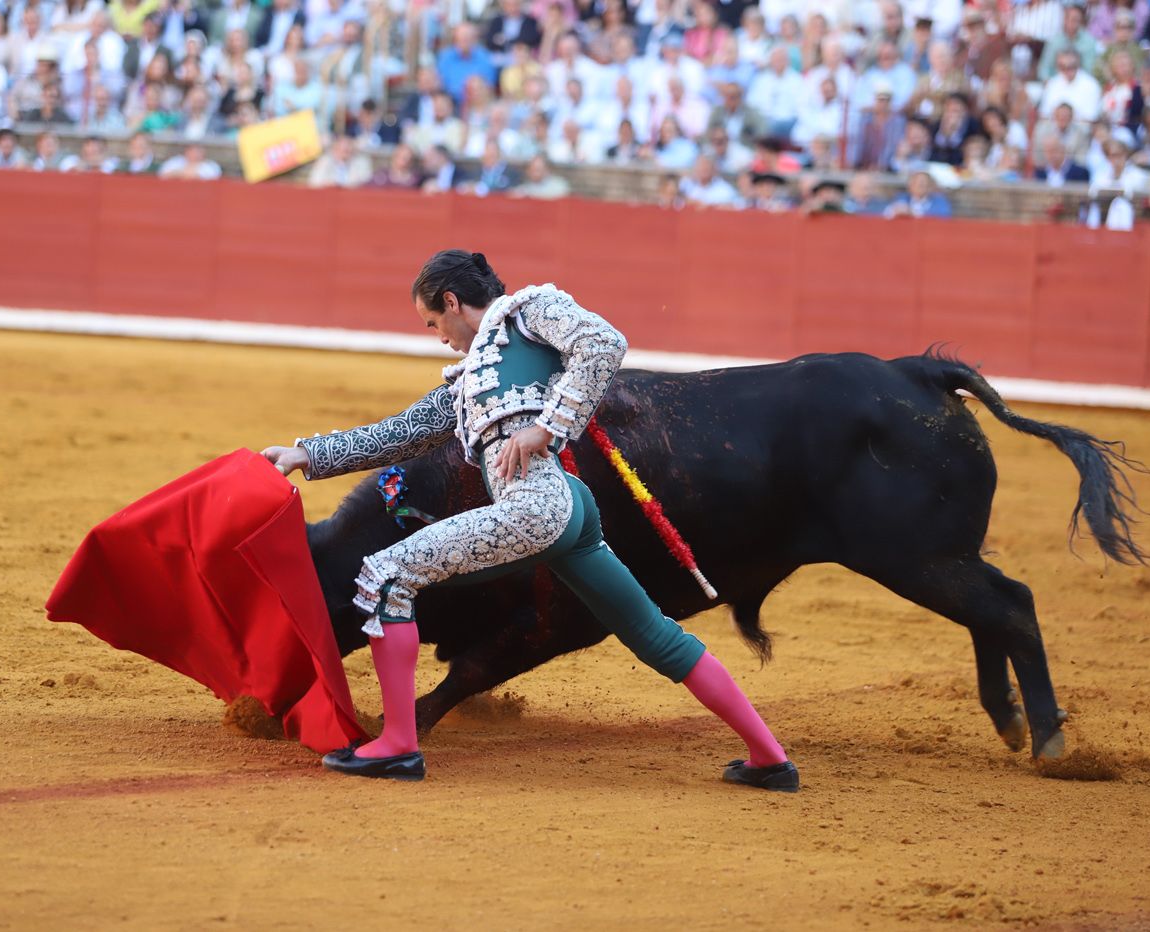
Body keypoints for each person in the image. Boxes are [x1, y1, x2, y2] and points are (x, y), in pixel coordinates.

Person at [262, 250, 799, 791]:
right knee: (654, 635)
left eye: (434, 322)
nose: (439, 336)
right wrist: (307, 454)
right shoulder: (470, 377)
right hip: (565, 507)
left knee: (383, 576)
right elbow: (406, 431)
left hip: (535, 508)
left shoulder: (527, 310)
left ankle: (399, 747)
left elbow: (604, 342)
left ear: (452, 301)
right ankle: (768, 759)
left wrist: (548, 427)